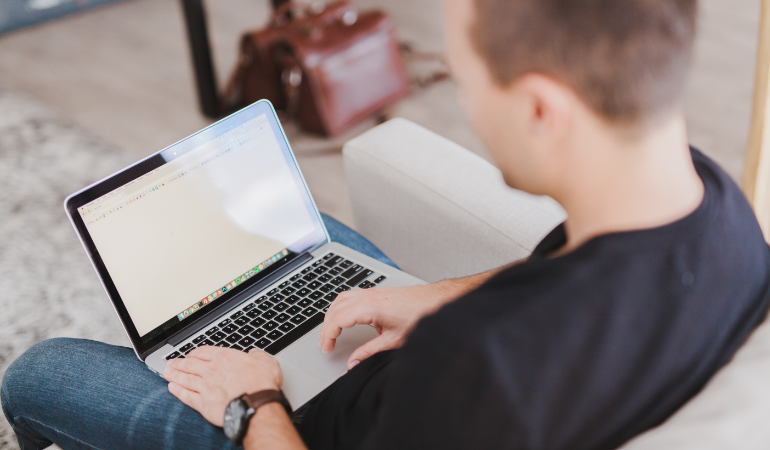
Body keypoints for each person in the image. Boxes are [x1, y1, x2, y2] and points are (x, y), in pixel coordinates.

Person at [3, 0, 770, 448]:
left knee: (39, 372)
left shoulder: (479, 363)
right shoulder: (717, 207)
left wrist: (254, 403)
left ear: (540, 109)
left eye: (469, 85)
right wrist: (441, 295)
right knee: (303, 243)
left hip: (306, 423)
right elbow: (577, 274)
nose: (466, 108)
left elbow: (480, 367)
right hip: (422, 375)